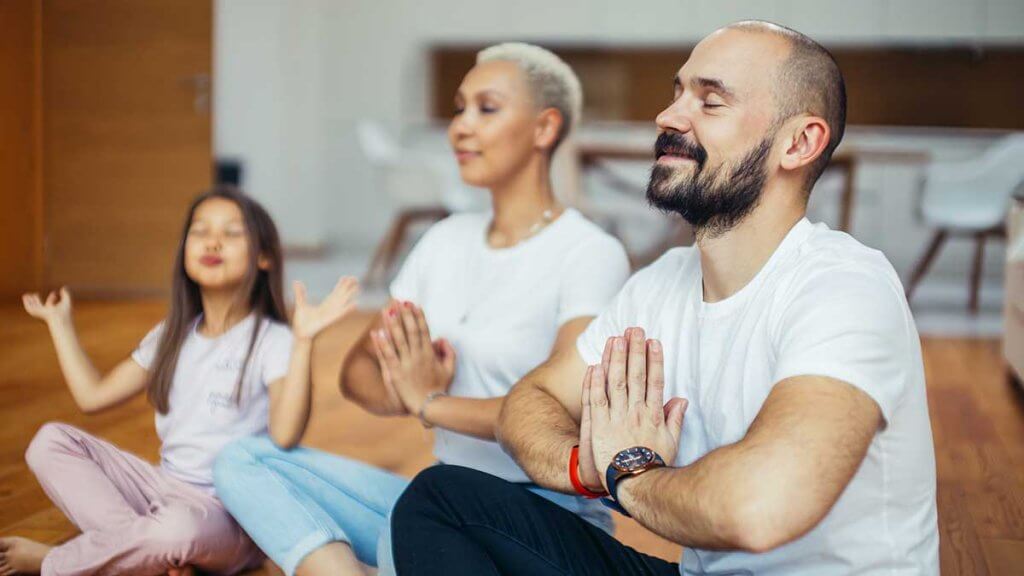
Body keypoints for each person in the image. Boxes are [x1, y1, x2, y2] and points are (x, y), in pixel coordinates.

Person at [390, 21, 940, 576]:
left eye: (710, 101)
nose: (670, 116)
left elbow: (758, 510)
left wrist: (631, 473)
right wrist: (591, 466)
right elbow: (527, 404)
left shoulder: (844, 284)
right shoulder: (662, 282)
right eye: (678, 93)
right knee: (442, 498)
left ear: (798, 143)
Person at [212, 43, 630, 576]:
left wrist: (429, 402)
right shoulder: (443, 241)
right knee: (243, 459)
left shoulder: (590, 253)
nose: (459, 127)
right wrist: (409, 386)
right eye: (459, 108)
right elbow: (358, 371)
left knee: (419, 526)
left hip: (545, 514)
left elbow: (563, 410)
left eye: (487, 108)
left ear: (544, 128)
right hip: (437, 496)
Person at [0, 187, 359, 576]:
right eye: (200, 231)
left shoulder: (273, 340)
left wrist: (305, 341)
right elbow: (92, 397)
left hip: (228, 514)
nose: (213, 241)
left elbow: (287, 434)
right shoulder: (172, 333)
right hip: (162, 488)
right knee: (49, 442)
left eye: (232, 233)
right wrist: (60, 325)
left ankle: (59, 562)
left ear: (264, 257)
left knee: (176, 530)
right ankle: (153, 557)